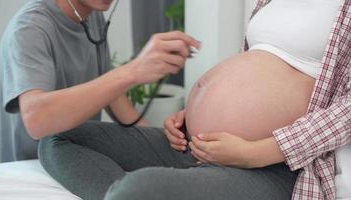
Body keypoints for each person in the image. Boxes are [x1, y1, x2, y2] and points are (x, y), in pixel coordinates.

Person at [38, 0, 351, 200]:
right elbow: (259, 67)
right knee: (59, 138)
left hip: (267, 166)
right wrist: (193, 112)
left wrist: (254, 152)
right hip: (195, 143)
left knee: (136, 191)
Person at [0, 0, 199, 162]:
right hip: (35, 164)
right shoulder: (29, 29)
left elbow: (112, 96)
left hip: (77, 154)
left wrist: (160, 142)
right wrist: (132, 71)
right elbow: (38, 119)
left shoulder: (92, 17)